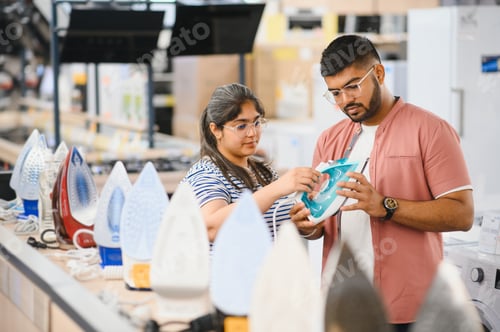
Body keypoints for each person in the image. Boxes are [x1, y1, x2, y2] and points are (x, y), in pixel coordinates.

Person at [290, 35, 474, 332]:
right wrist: (308, 225)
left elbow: (462, 215)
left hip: (410, 308)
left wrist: (386, 206)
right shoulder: (329, 140)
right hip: (343, 304)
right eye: (334, 93)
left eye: (352, 87)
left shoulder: (430, 130)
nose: (344, 101)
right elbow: (322, 224)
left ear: (378, 73)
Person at [182, 83, 321, 243]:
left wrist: (307, 225)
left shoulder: (263, 172)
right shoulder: (206, 174)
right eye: (241, 126)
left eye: (256, 123)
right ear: (216, 130)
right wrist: (278, 188)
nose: (252, 133)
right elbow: (211, 229)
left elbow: (280, 227)